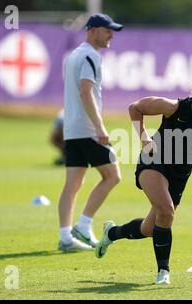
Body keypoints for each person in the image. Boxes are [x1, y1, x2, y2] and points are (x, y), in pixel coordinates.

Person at [94, 76, 192, 284]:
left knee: (151, 228)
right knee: (167, 212)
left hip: (180, 173)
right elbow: (135, 108)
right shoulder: (173, 107)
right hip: (154, 160)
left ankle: (111, 232)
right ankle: (163, 272)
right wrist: (143, 137)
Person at [57, 13, 123, 252]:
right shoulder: (90, 55)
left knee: (72, 184)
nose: (111, 36)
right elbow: (86, 93)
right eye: (107, 30)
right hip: (87, 129)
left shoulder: (74, 55)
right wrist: (99, 127)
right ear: (93, 30)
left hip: (72, 129)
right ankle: (83, 225)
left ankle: (65, 237)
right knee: (113, 176)